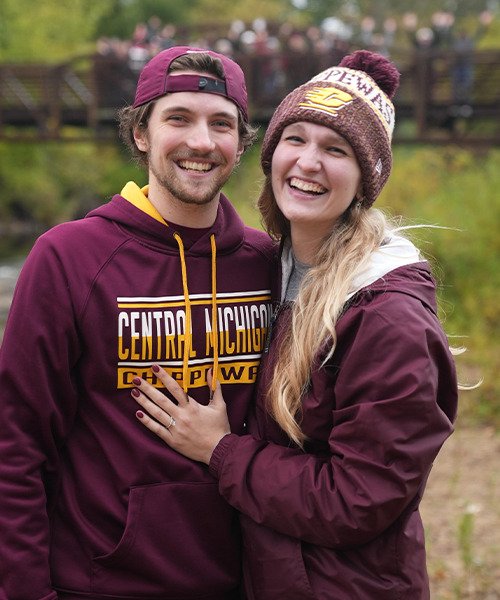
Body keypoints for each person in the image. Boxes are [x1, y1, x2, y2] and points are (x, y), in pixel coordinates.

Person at [131, 50, 459, 599]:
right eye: (296, 139)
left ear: (365, 179)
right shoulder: (275, 270)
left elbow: (359, 498)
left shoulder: (386, 315)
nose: (308, 162)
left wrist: (220, 451)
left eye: (336, 150)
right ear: (271, 152)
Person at [0, 46, 275, 599]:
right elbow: (16, 444)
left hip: (239, 582)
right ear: (141, 135)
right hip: (99, 581)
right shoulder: (68, 257)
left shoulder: (266, 263)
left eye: (221, 124)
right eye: (178, 118)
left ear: (240, 147)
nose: (201, 141)